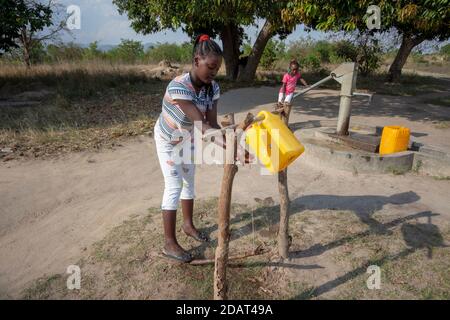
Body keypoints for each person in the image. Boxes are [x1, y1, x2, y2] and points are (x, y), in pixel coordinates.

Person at [153, 34, 224, 263]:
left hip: (187, 138)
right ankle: (169, 243)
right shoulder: (178, 86)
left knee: (189, 182)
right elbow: (201, 124)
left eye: (217, 68)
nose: (213, 73)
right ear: (196, 61)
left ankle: (188, 225)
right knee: (174, 184)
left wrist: (235, 141)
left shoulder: (212, 88)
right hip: (168, 139)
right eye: (210, 67)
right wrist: (230, 144)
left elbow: (212, 124)